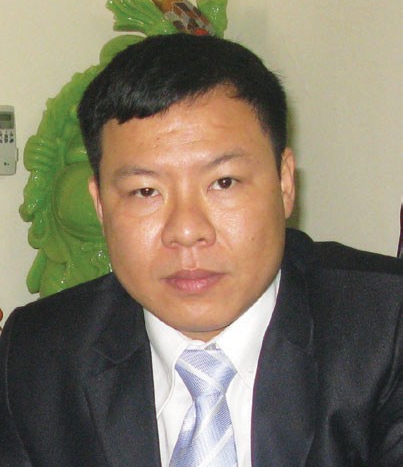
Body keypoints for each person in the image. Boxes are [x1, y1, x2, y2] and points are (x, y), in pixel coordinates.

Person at [0, 33, 402, 467]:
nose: (187, 231)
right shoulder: (37, 355)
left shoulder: (387, 326)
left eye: (223, 183)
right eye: (145, 191)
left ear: (285, 183)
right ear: (100, 205)